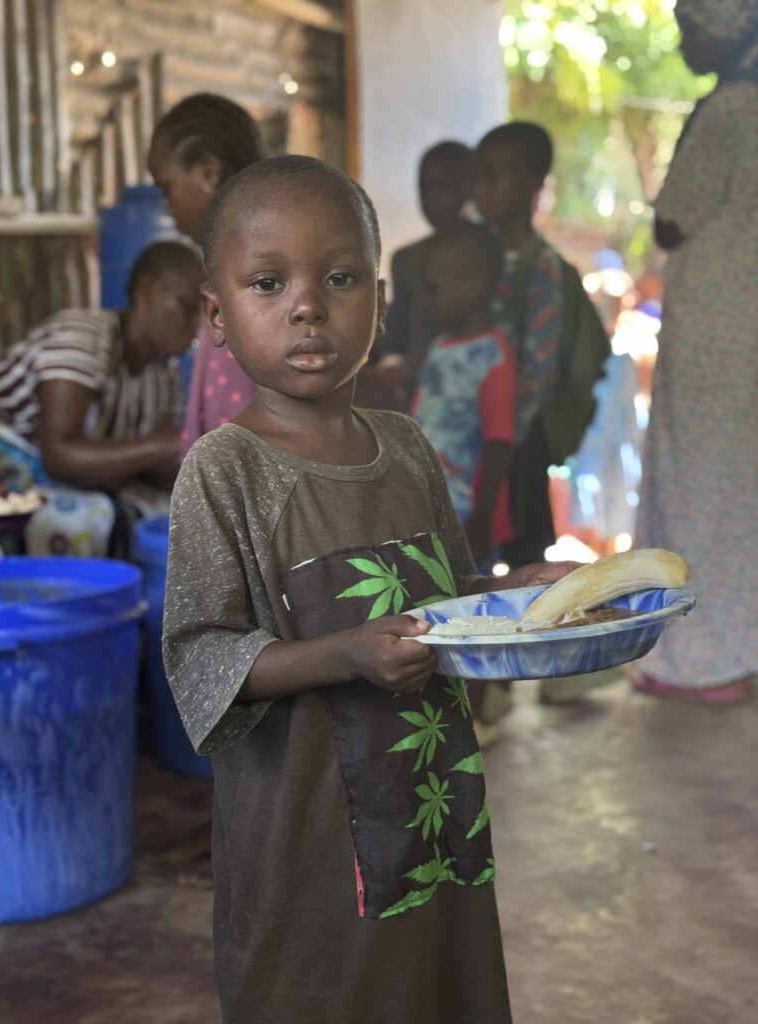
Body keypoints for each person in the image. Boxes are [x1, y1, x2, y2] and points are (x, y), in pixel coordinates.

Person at [162, 155, 575, 1022]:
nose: (308, 306)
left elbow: (445, 598)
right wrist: (344, 654)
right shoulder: (225, 471)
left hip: (432, 814)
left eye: (340, 278)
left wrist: (516, 590)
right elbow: (202, 657)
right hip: (307, 844)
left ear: (380, 302)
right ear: (218, 316)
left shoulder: (406, 447)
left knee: (436, 983)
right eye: (268, 283)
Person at [632, 0, 758, 703]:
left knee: (698, 493)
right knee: (740, 493)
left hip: (715, 334)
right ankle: (739, 651)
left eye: (693, 27)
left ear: (731, 28)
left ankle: (706, 663)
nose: (684, 42)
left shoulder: (728, 111)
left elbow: (673, 221)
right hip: (748, 333)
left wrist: (689, 135)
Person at [0, 241, 204, 554]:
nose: (198, 323)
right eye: (187, 305)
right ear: (149, 290)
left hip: (65, 476)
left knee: (175, 511)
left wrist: (201, 461)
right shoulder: (82, 336)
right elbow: (60, 455)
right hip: (6, 465)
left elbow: (150, 463)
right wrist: (164, 444)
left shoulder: (165, 371)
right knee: (79, 520)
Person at [475, 122, 609, 568]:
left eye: (493, 176)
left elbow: (538, 371)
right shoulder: (468, 257)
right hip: (471, 434)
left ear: (532, 183)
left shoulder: (543, 268)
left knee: (523, 560)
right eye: (477, 176)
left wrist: (503, 441)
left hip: (515, 443)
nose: (480, 189)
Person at [148, 92, 264, 455]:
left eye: (167, 189)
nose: (167, 209)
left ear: (208, 171)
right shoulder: (229, 257)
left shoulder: (250, 259)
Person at [411, 221, 516, 566]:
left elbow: (498, 443)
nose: (425, 300)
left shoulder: (493, 355)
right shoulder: (440, 345)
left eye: (433, 288)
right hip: (430, 512)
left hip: (470, 520)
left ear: (472, 287)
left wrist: (482, 520)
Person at [376, 140, 475, 403]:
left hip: (474, 391)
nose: (431, 198)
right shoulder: (406, 259)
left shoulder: (486, 257)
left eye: (442, 187)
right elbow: (398, 332)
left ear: (470, 188)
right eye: (423, 188)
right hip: (419, 392)